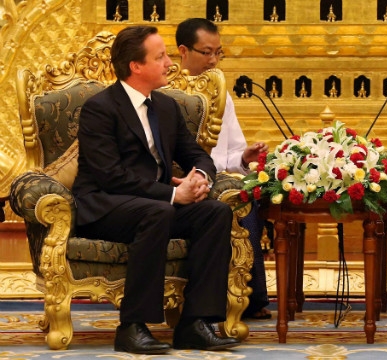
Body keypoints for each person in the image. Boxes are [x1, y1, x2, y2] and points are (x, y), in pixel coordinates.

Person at [72, 25, 240, 354]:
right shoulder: (100, 109)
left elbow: (196, 155)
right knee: (159, 210)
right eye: (160, 57)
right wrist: (174, 195)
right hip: (106, 207)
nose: (169, 63)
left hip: (153, 206)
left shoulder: (164, 107)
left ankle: (195, 323)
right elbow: (110, 176)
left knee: (215, 212)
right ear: (136, 66)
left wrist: (200, 177)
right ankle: (133, 327)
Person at [176, 18, 271, 320]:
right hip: (183, 183)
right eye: (206, 52)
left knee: (246, 193)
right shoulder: (167, 93)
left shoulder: (221, 94)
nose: (214, 60)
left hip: (220, 180)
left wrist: (244, 157)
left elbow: (230, 155)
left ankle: (251, 296)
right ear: (183, 51)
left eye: (219, 52)